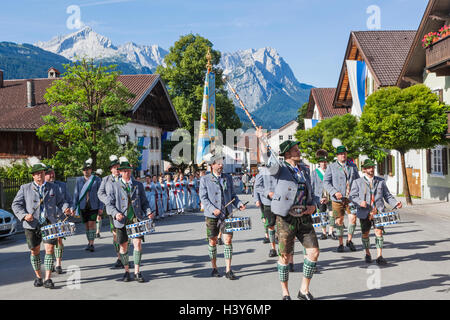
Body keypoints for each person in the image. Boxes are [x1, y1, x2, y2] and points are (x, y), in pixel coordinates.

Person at [256, 127, 319, 301]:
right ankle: (285, 293)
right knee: (285, 256)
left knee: (313, 252)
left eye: (298, 149)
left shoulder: (304, 169)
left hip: (304, 216)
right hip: (286, 217)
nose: (299, 151)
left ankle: (303, 290)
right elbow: (267, 160)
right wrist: (262, 140)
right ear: (287, 154)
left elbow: (310, 192)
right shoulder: (281, 169)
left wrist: (313, 205)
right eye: (295, 150)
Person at [12, 162, 72, 289]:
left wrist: (66, 208)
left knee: (49, 250)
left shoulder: (53, 187)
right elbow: (15, 205)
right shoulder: (25, 188)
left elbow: (61, 202)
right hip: (31, 224)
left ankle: (48, 278)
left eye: (42, 173)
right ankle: (39, 277)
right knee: (35, 251)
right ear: (33, 176)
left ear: (45, 174)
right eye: (37, 173)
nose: (40, 175)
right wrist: (23, 215)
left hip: (49, 222)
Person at [105, 157, 155, 282]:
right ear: (120, 172)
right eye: (124, 171)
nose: (127, 173)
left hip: (136, 218)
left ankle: (137, 272)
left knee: (137, 243)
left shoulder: (138, 185)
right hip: (121, 220)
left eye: (129, 170)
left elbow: (144, 202)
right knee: (123, 247)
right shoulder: (114, 186)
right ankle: (127, 271)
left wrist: (148, 212)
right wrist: (115, 213)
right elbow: (109, 204)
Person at [199, 153, 246, 280]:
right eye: (218, 163)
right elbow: (203, 198)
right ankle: (214, 267)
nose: (221, 165)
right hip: (211, 215)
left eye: (222, 163)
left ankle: (228, 269)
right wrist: (212, 209)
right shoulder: (205, 179)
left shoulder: (227, 178)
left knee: (228, 240)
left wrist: (239, 203)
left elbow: (233, 196)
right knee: (213, 241)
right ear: (212, 165)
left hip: (227, 214)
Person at [349, 159, 402, 265]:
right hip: (365, 212)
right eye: (369, 168)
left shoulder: (380, 181)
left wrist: (395, 203)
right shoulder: (357, 182)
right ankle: (367, 253)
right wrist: (360, 202)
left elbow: (387, 196)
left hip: (378, 211)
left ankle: (379, 256)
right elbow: (352, 196)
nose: (371, 169)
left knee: (379, 232)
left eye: (372, 167)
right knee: (365, 234)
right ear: (364, 170)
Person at [323, 146, 360, 252]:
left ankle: (349, 240)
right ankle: (340, 243)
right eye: (340, 154)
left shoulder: (352, 166)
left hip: (351, 198)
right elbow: (326, 182)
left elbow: (357, 180)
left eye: (344, 153)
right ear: (337, 156)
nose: (343, 155)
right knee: (339, 221)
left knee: (352, 219)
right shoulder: (331, 167)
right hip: (337, 199)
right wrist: (334, 192)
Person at [44, 166, 73, 274]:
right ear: (44, 175)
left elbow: (69, 200)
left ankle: (58, 264)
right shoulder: (42, 187)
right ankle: (50, 263)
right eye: (49, 173)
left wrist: (70, 209)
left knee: (59, 240)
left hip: (60, 217)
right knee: (48, 244)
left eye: (53, 173)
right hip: (46, 219)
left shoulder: (62, 185)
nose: (52, 175)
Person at [97, 155, 124, 268]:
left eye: (118, 167)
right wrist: (107, 201)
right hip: (112, 210)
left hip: (124, 210)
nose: (117, 169)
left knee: (125, 234)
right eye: (115, 167)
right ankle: (119, 257)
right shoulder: (106, 179)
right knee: (115, 235)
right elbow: (100, 193)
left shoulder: (125, 177)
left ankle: (124, 255)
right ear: (111, 169)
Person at [73, 158, 104, 252]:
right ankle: (89, 242)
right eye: (84, 170)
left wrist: (101, 207)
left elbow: (101, 194)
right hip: (83, 206)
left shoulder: (97, 179)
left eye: (88, 169)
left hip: (93, 205)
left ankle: (92, 243)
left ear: (91, 170)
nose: (86, 171)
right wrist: (74, 207)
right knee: (86, 226)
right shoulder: (79, 180)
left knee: (92, 224)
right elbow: (76, 194)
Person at [311, 152, 337, 240]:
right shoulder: (315, 173)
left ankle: (331, 232)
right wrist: (316, 198)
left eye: (325, 162)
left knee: (332, 214)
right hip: (320, 196)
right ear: (319, 163)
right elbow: (312, 186)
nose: (324, 163)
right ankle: (324, 233)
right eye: (322, 162)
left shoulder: (331, 171)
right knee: (322, 214)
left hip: (330, 195)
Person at [254, 165, 278, 258]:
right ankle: (273, 248)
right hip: (267, 202)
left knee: (281, 225)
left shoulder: (280, 168)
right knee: (270, 225)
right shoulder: (263, 171)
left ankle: (282, 246)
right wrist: (257, 199)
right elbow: (257, 187)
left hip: (281, 202)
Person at [253, 169, 270, 245]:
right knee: (265, 218)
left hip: (273, 200)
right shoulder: (260, 174)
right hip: (263, 200)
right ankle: (267, 235)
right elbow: (256, 188)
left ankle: (275, 235)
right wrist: (256, 200)